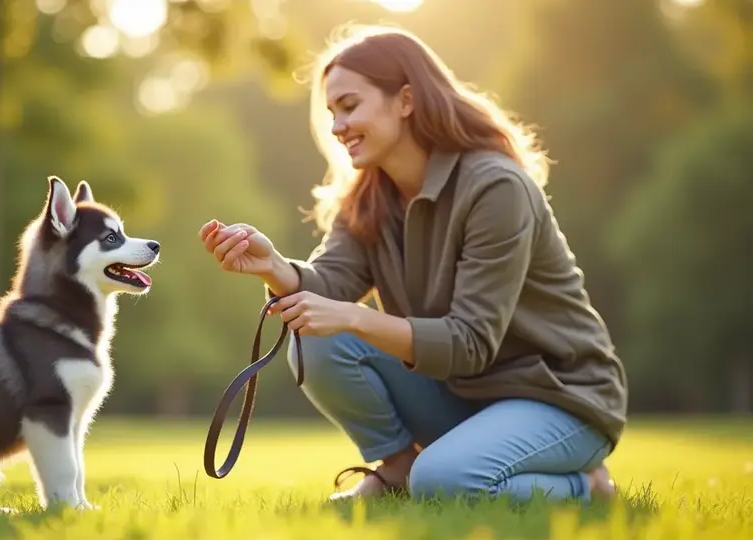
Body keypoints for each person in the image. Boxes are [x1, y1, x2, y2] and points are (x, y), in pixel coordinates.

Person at [198, 24, 626, 504]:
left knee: (443, 483)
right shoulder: (367, 198)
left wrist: (358, 317)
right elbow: (329, 285)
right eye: (332, 112)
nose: (337, 126)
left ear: (405, 100)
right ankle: (397, 470)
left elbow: (470, 343)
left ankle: (586, 485)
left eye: (350, 106)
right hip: (466, 395)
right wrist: (273, 266)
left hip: (560, 398)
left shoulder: (495, 188)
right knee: (312, 334)